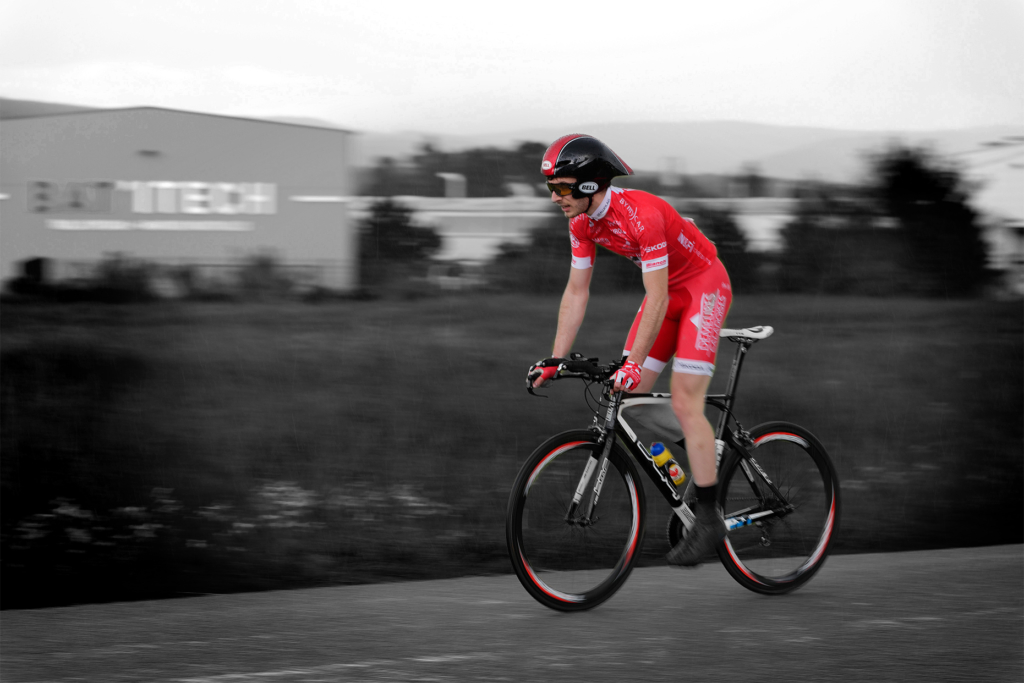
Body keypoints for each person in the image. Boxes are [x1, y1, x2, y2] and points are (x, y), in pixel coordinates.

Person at [529, 133, 733, 567]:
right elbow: (576, 291)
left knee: (684, 400)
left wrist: (633, 363)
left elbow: (656, 298)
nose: (554, 198)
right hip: (667, 296)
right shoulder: (581, 223)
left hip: (702, 288)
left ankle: (711, 520)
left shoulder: (641, 215)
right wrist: (556, 360)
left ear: (589, 184)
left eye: (562, 187)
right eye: (551, 187)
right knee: (630, 400)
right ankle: (706, 452)